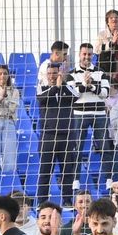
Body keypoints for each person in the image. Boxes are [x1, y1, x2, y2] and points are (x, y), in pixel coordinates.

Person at [35, 58, 79, 203]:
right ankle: (42, 202)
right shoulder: (42, 87)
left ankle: (67, 200)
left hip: (67, 137)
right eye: (50, 73)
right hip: (48, 137)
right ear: (46, 75)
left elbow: (76, 97)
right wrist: (56, 88)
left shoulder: (68, 87)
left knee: (67, 171)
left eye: (55, 73)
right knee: (45, 172)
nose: (52, 76)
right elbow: (42, 99)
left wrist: (63, 85)